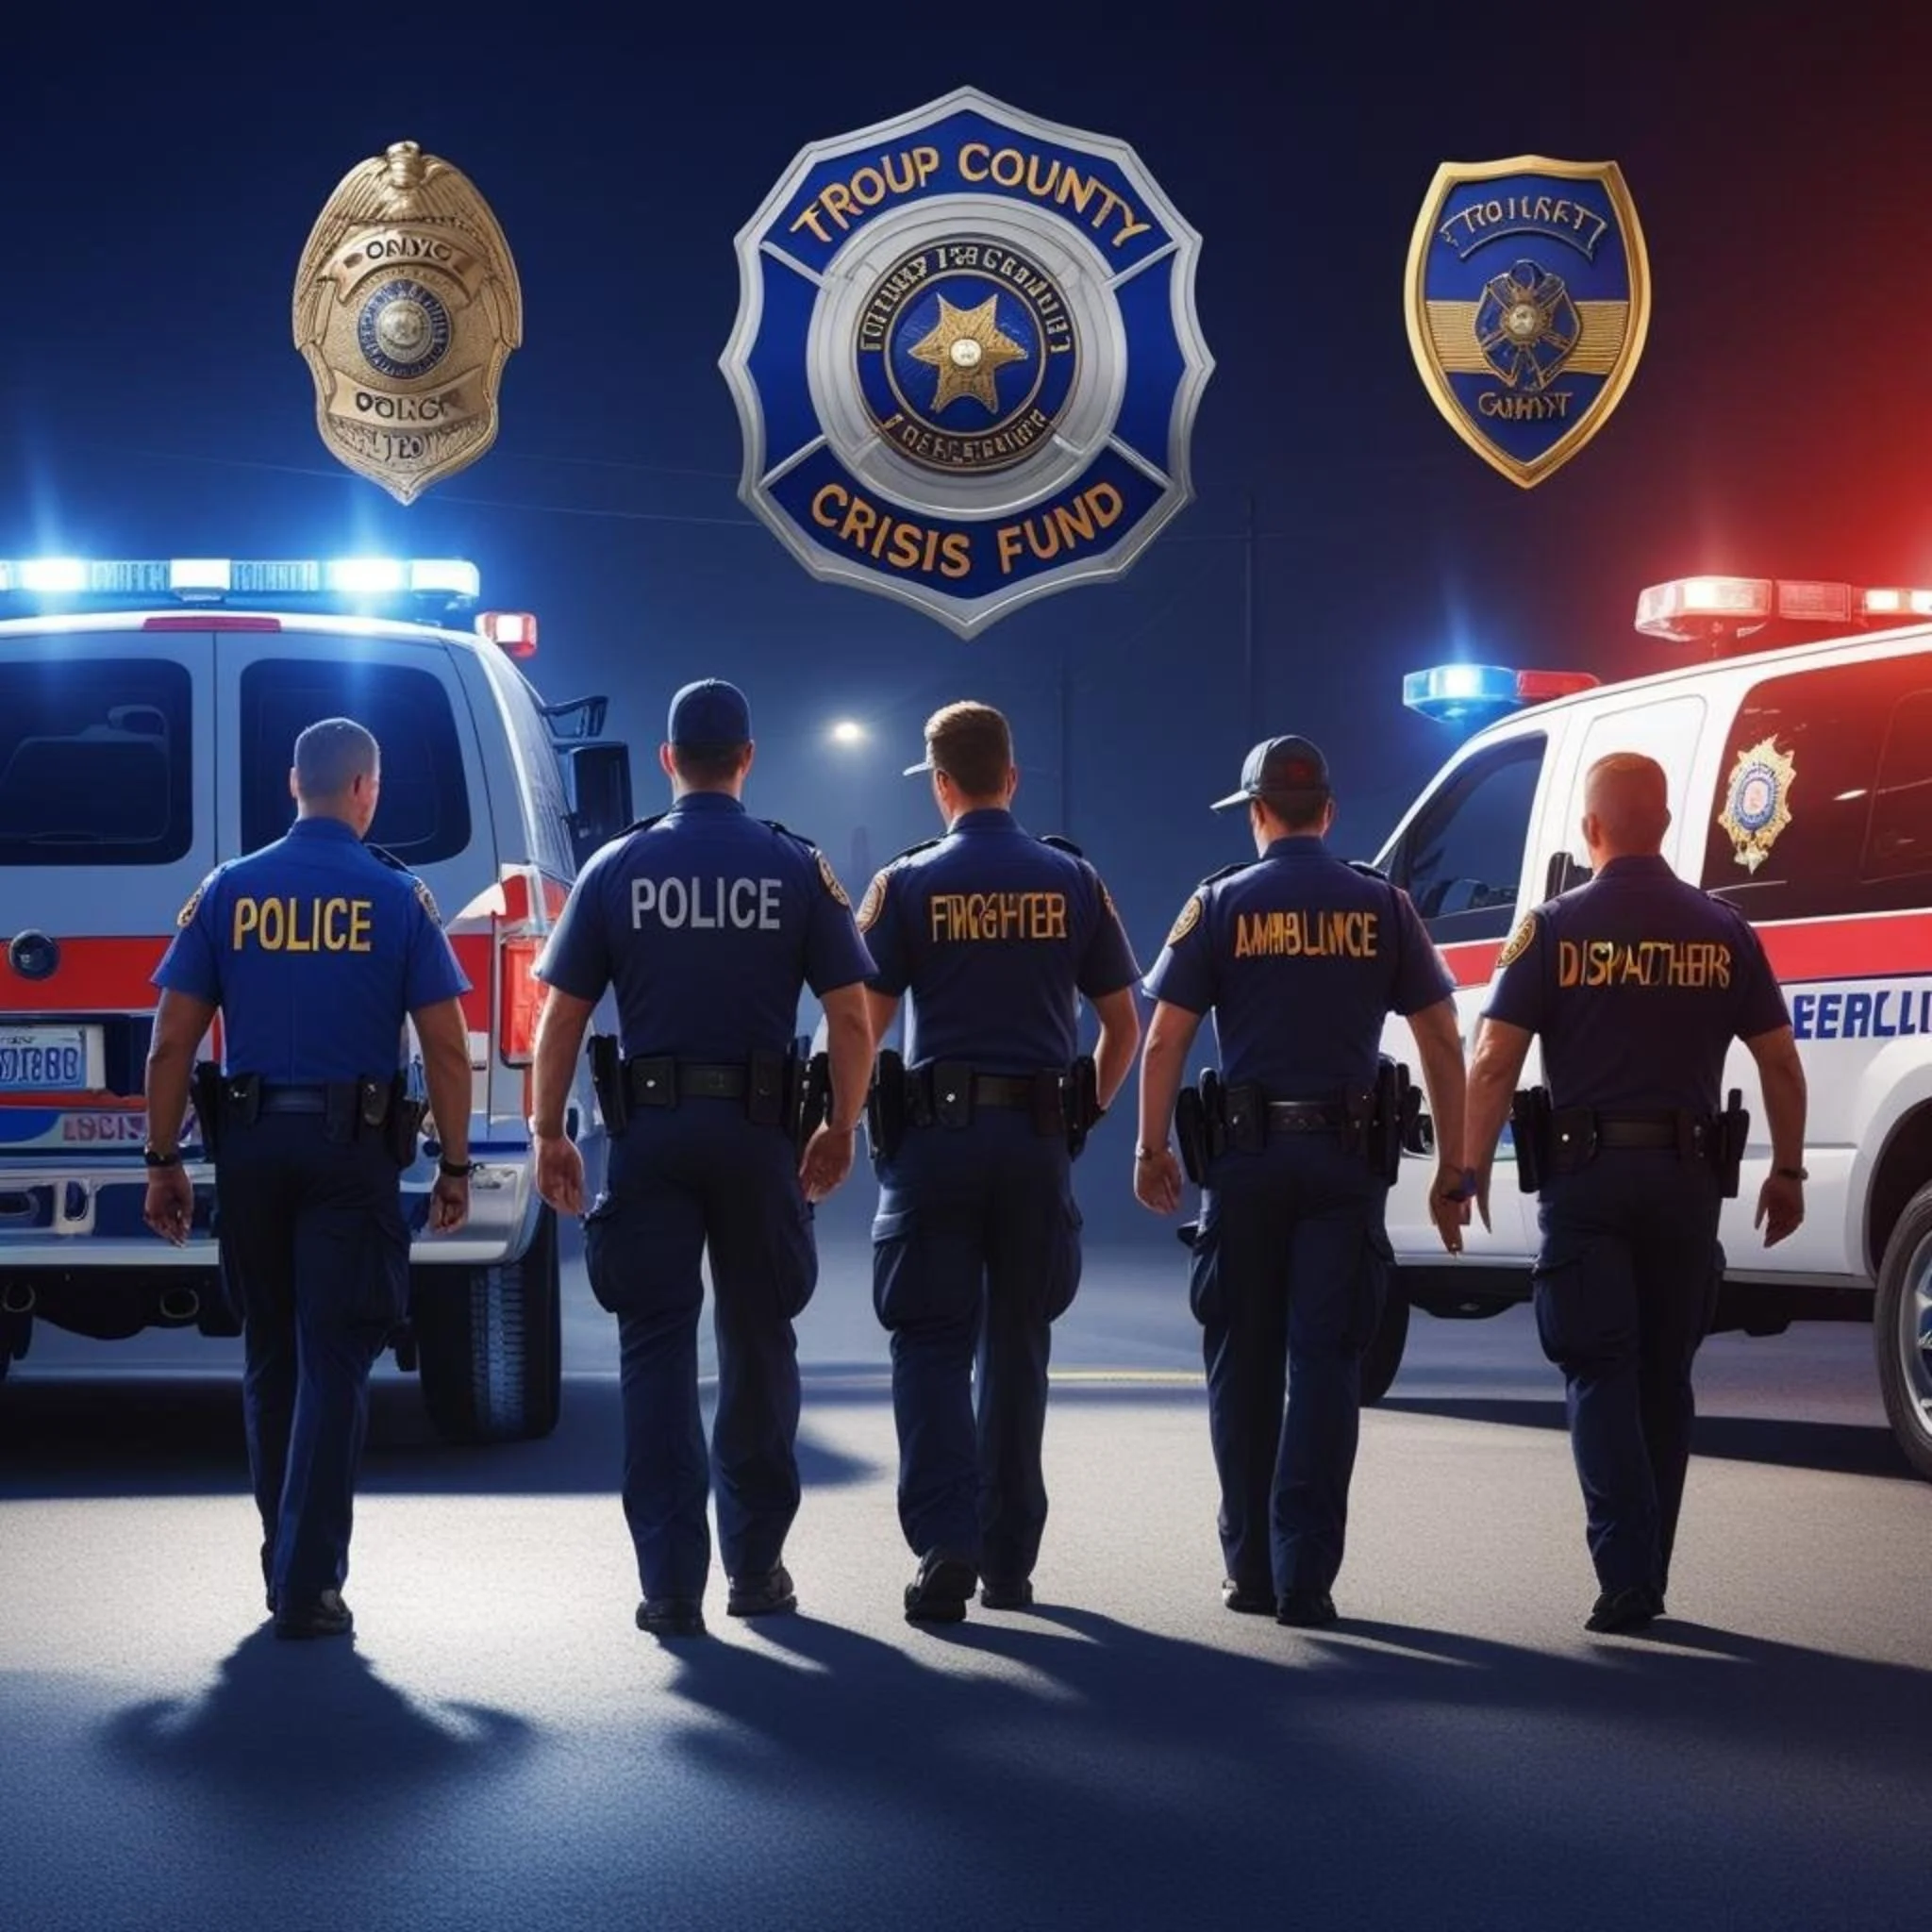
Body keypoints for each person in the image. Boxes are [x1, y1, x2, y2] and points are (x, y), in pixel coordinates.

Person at [528, 678, 874, 1641]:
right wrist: (840, 1123)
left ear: (668, 760)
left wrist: (549, 1130)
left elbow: (560, 1013)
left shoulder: (617, 865)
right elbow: (849, 1013)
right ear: (747, 758)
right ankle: (756, 1568)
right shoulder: (795, 867)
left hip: (651, 1139)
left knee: (655, 1351)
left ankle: (669, 1584)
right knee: (759, 1345)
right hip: (762, 1138)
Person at [142, 718, 475, 1641]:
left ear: (295, 783)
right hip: (352, 1158)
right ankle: (307, 1580)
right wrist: (453, 1161)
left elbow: (172, 1038)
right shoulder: (397, 897)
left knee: (270, 1355)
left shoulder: (227, 890)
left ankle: (280, 1559)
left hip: (246, 1151)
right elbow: (445, 1047)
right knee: (336, 1358)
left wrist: (162, 1158)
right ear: (366, 788)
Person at [1462, 751, 1806, 1634]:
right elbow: (1777, 1059)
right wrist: (1788, 1170)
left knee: (1598, 1367)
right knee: (1665, 1376)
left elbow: (1496, 1057)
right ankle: (1649, 1568)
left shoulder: (1553, 926)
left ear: (1593, 828)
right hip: (1688, 1184)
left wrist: (1463, 1170)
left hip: (1586, 1183)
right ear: (1661, 822)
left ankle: (1625, 1576)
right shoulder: (1722, 928)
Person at [1136, 735, 1471, 1627]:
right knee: (1326, 1364)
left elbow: (1165, 1037)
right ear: (1328, 812)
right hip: (1343, 1168)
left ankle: (1247, 1567)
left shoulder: (1218, 903)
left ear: (1256, 816)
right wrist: (1456, 1166)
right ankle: (1306, 1575)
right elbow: (1442, 1036)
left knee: (1242, 1360)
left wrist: (1152, 1148)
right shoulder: (1384, 905)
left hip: (1243, 1167)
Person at [858, 701, 1141, 1624]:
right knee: (1017, 1346)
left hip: (933, 1148)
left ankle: (946, 1539)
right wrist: (1080, 1112)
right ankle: (1011, 1562)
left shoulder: (902, 886)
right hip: (1032, 1146)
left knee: (930, 1341)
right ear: (1010, 777)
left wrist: (849, 1118)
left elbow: (861, 1019)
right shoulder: (1072, 880)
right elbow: (1121, 1023)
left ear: (940, 782)